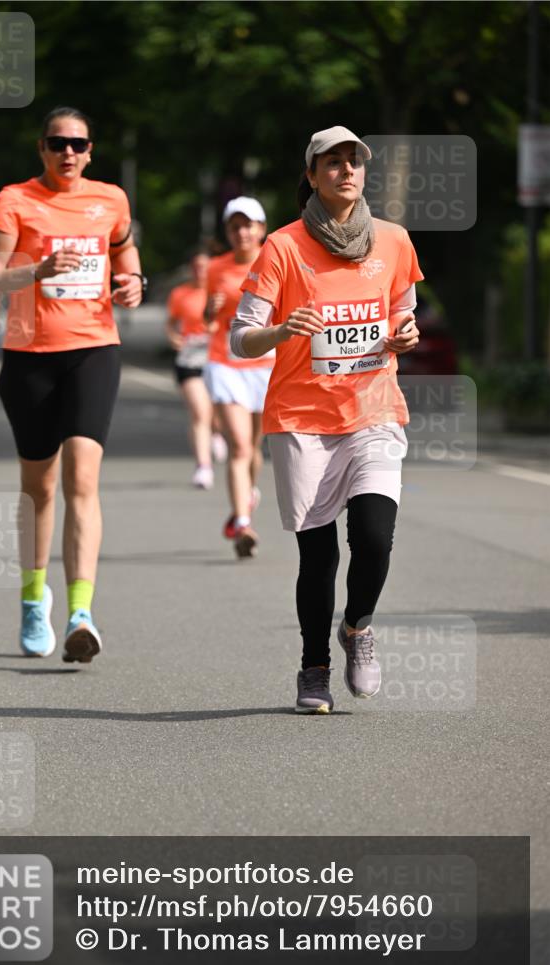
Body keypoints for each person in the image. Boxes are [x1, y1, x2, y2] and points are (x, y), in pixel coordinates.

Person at [229, 127, 423, 713]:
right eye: (332, 162)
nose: (346, 170)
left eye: (354, 161)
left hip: (373, 411)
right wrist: (281, 330)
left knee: (374, 538)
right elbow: (241, 337)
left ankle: (357, 627)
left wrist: (404, 335)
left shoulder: (393, 241)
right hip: (301, 420)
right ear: (312, 175)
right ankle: (314, 667)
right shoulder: (283, 247)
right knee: (318, 558)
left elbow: (403, 314)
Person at [0, 106, 144, 664]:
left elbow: (124, 248)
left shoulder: (111, 199)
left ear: (91, 151)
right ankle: (32, 599)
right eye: (57, 143)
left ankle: (80, 614)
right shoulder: (14, 200)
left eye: (78, 144)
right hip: (30, 358)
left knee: (82, 479)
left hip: (94, 350)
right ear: (41, 149)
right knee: (39, 488)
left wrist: (133, 281)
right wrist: (37, 270)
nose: (68, 152)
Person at [203, 197, 274, 558]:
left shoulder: (276, 262)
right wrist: (209, 311)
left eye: (248, 225)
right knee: (240, 447)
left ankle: (246, 496)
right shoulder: (216, 268)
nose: (242, 232)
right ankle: (243, 524)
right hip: (227, 364)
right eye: (235, 227)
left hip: (267, 366)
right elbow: (208, 319)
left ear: (261, 229)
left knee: (256, 449)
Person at [166, 251, 226, 489]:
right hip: (190, 359)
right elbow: (171, 323)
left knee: (216, 414)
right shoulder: (180, 293)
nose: (201, 271)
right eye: (196, 266)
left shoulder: (221, 291)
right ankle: (203, 467)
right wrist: (173, 338)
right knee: (200, 412)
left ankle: (216, 433)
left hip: (218, 358)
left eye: (205, 267)